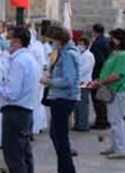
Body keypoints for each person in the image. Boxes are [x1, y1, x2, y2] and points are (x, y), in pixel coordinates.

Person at [0, 26, 39, 173]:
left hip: (16, 111)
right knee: (24, 154)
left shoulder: (19, 62)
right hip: (26, 110)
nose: (9, 44)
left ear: (17, 42)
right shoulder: (29, 59)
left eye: (10, 40)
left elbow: (13, 93)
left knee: (14, 156)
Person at [40, 25, 80, 173]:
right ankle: (64, 168)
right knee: (56, 135)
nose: (51, 44)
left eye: (51, 41)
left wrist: (49, 82)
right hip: (59, 98)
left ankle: (67, 169)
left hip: (64, 98)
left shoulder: (68, 54)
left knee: (60, 137)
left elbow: (68, 80)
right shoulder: (63, 52)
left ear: (58, 39)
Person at [88, 28, 125, 160]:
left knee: (117, 121)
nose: (110, 41)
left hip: (117, 90)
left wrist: (101, 82)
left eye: (112, 38)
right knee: (113, 120)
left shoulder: (123, 55)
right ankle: (114, 146)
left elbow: (117, 75)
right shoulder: (116, 53)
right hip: (110, 90)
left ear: (118, 40)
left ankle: (121, 149)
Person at [89, 23, 112, 130]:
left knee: (97, 98)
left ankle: (101, 121)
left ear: (95, 31)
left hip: (98, 73)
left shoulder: (97, 43)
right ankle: (104, 119)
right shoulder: (107, 41)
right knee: (102, 98)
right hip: (106, 72)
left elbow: (97, 59)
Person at [72, 36, 95, 132]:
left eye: (81, 44)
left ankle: (83, 124)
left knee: (82, 104)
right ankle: (78, 123)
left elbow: (84, 69)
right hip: (78, 82)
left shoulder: (89, 55)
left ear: (86, 45)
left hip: (85, 82)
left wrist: (75, 73)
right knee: (77, 105)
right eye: (78, 44)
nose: (79, 46)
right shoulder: (79, 54)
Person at [29, 29, 49, 135]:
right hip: (39, 77)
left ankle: (35, 126)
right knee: (38, 103)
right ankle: (38, 125)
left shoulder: (32, 47)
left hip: (35, 79)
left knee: (34, 104)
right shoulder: (39, 45)